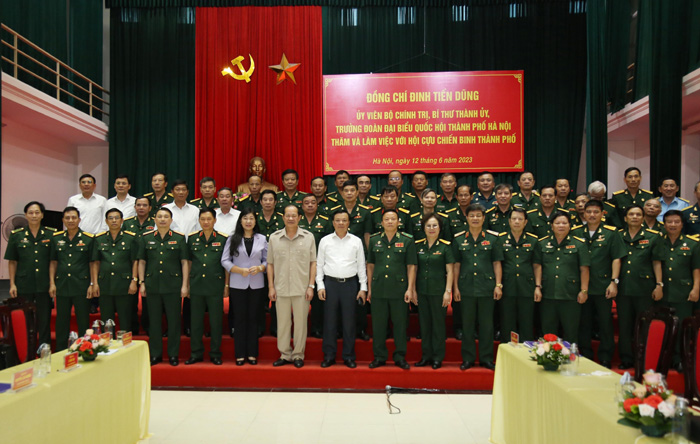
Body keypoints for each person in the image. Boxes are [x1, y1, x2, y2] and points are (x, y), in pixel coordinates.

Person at [571, 200, 625, 368]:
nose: (592, 215)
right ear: (584, 214)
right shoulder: (575, 232)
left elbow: (616, 258)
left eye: (596, 212)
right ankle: (585, 354)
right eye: (589, 212)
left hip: (603, 285)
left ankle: (606, 356)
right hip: (581, 287)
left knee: (605, 323)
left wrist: (614, 282)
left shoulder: (611, 233)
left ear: (603, 214)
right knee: (584, 322)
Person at [452, 204, 503, 371]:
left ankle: (486, 358)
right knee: (467, 325)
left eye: (478, 215)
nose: (475, 218)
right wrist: (455, 287)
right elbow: (456, 265)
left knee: (487, 325)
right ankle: (468, 358)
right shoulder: (459, 239)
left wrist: (498, 285)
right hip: (466, 287)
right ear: (466, 218)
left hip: (487, 287)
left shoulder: (493, 238)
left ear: (483, 218)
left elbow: (497, 263)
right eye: (472, 215)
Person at [137, 207, 189, 366]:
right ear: (155, 219)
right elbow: (142, 262)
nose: (162, 219)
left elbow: (184, 262)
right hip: (152, 285)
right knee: (154, 322)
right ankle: (155, 354)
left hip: (173, 285)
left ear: (171, 220)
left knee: (174, 322)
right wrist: (142, 282)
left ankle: (173, 354)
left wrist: (185, 285)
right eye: (159, 216)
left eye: (166, 217)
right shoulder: (146, 238)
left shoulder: (179, 238)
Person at [316, 209, 367, 369]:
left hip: (350, 285)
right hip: (330, 284)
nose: (341, 223)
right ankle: (329, 355)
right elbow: (319, 265)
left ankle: (348, 356)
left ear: (348, 222)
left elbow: (361, 265)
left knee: (349, 322)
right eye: (337, 220)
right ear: (333, 222)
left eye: (344, 220)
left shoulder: (356, 241)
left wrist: (363, 287)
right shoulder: (325, 241)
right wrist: (320, 285)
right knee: (329, 322)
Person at [367, 209, 417, 370]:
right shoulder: (374, 240)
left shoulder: (407, 240)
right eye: (386, 219)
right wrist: (369, 288)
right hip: (379, 288)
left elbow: (411, 266)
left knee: (400, 325)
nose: (390, 222)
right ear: (381, 223)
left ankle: (400, 356)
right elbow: (370, 265)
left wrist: (410, 288)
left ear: (398, 222)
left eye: (393, 219)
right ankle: (379, 356)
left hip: (399, 290)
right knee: (378, 325)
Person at [267, 205, 317, 368]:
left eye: (294, 215)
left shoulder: (308, 237)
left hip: (301, 287)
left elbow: (313, 263)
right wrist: (271, 287)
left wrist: (311, 285)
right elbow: (270, 264)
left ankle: (298, 355)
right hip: (280, 287)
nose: (290, 218)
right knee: (283, 323)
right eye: (287, 215)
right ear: (283, 217)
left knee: (301, 323)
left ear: (299, 217)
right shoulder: (274, 238)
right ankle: (285, 354)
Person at [616, 205, 664, 369]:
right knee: (624, 325)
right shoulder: (618, 236)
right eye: (631, 214)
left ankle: (643, 359)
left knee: (645, 326)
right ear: (625, 218)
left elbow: (657, 262)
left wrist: (659, 284)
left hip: (644, 288)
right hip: (623, 287)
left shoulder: (653, 236)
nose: (635, 217)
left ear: (643, 218)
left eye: (638, 214)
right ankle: (626, 358)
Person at [4, 201, 56, 350]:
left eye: (37, 212)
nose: (34, 215)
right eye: (31, 213)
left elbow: (53, 261)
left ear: (42, 215)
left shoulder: (51, 234)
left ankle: (44, 348)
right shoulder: (16, 235)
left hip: (44, 284)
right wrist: (12, 284)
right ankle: (26, 350)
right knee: (25, 318)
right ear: (26, 215)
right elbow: (12, 261)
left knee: (44, 319)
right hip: (23, 284)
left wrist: (52, 283)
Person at [533, 211, 590, 345]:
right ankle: (548, 356)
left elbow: (584, 269)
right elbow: (537, 266)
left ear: (570, 225)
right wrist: (537, 287)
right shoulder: (542, 243)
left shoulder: (579, 244)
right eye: (557, 223)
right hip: (548, 294)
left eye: (564, 223)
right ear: (551, 225)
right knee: (548, 333)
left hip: (570, 295)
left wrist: (584, 290)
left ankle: (571, 356)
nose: (561, 226)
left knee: (571, 332)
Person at [221, 207, 267, 365]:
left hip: (257, 284)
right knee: (239, 319)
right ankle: (240, 354)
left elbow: (268, 260)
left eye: (251, 218)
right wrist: (238, 270)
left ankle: (252, 354)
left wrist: (260, 268)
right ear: (240, 221)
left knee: (253, 318)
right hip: (237, 284)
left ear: (255, 221)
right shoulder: (232, 238)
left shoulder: (262, 238)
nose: (248, 221)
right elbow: (225, 260)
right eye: (245, 218)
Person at [657, 210, 700, 371]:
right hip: (662, 293)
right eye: (669, 222)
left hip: (683, 293)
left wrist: (696, 288)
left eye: (676, 222)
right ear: (664, 224)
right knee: (662, 328)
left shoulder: (693, 243)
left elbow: (696, 269)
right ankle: (662, 359)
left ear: (682, 224)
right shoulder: (658, 242)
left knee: (682, 328)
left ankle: (679, 359)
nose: (673, 225)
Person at [185, 208, 228, 366]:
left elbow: (226, 265)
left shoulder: (223, 239)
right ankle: (196, 353)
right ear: (199, 221)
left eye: (209, 219)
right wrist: (187, 284)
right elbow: (189, 263)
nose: (206, 222)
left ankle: (215, 353)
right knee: (196, 322)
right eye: (202, 219)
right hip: (196, 285)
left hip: (215, 285)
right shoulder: (192, 238)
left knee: (216, 322)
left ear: (215, 220)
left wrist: (226, 285)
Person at [49, 207, 95, 351]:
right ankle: (60, 351)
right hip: (62, 285)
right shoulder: (56, 238)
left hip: (81, 285)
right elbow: (53, 262)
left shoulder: (88, 239)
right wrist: (52, 283)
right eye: (67, 218)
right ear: (63, 220)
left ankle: (84, 350)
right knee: (61, 322)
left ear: (79, 220)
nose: (70, 220)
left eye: (74, 217)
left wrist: (92, 283)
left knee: (83, 321)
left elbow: (92, 263)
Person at [414, 214, 454, 369]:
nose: (431, 228)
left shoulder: (445, 246)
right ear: (423, 228)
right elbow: (414, 269)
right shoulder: (418, 246)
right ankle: (426, 356)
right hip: (422, 291)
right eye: (428, 226)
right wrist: (413, 290)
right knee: (424, 325)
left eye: (435, 225)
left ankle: (437, 357)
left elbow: (450, 271)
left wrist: (448, 291)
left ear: (440, 228)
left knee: (438, 325)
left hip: (438, 291)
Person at [333, 180, 372, 340]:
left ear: (357, 193)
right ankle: (340, 329)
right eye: (346, 191)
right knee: (339, 298)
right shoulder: (336, 211)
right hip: (339, 259)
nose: (349, 193)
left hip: (358, 258)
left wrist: (368, 258)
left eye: (352, 190)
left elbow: (367, 235)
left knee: (359, 295)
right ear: (342, 193)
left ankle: (360, 329)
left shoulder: (365, 212)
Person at [91, 208, 139, 331]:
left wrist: (134, 280)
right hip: (105, 284)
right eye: (110, 218)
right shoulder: (99, 238)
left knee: (125, 319)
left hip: (124, 284)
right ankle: (107, 342)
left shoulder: (130, 238)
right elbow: (96, 263)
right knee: (106, 321)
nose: (114, 221)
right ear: (106, 221)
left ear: (122, 220)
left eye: (117, 218)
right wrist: (94, 283)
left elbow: (135, 261)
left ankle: (125, 343)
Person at [164, 179, 200, 336]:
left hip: (191, 253)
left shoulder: (195, 210)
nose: (180, 192)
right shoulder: (165, 209)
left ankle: (188, 325)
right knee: (171, 292)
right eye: (177, 189)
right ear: (172, 192)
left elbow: (199, 230)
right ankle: (171, 327)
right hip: (170, 254)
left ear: (188, 192)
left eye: (183, 189)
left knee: (189, 292)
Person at [498, 208, 538, 342]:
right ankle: (508, 350)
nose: (517, 222)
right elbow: (497, 264)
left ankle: (525, 352)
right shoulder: (500, 239)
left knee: (526, 323)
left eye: (520, 219)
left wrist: (537, 286)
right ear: (509, 221)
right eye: (514, 219)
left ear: (525, 222)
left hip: (527, 287)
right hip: (507, 287)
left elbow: (536, 265)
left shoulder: (533, 240)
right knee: (507, 323)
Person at [298, 194, 332, 338]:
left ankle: (317, 328)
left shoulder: (325, 221)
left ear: (317, 205)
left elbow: (330, 243)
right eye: (307, 203)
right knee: (299, 299)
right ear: (302, 206)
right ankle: (300, 329)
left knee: (318, 300)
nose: (310, 205)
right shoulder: (296, 221)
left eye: (313, 202)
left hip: (319, 265)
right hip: (299, 265)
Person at [123, 196, 156, 335]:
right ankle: (132, 327)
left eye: (144, 205)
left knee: (148, 299)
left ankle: (148, 327)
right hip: (129, 264)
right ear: (135, 207)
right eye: (139, 205)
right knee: (130, 299)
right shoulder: (127, 223)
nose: (141, 208)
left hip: (148, 264)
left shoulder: (155, 222)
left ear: (150, 208)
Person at [257, 189, 284, 336]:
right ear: (261, 202)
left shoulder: (282, 219)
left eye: (270, 200)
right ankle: (259, 327)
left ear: (275, 202)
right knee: (259, 298)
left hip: (279, 265)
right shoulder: (255, 219)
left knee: (278, 299)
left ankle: (276, 328)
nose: (268, 202)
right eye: (265, 200)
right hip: (259, 265)